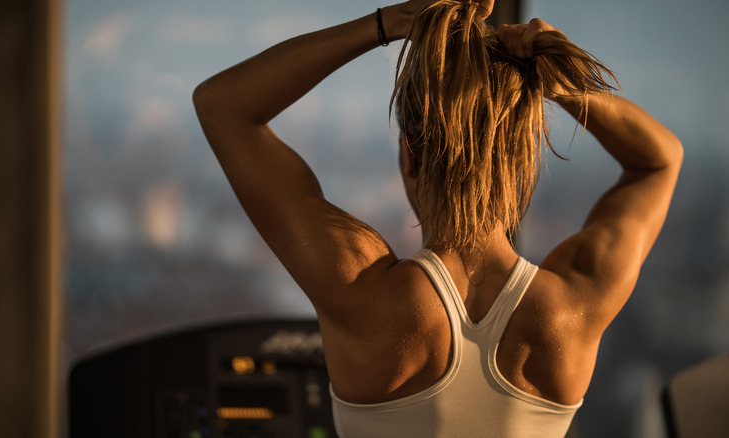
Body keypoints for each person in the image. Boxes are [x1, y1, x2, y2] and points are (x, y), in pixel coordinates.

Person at [193, 0, 682, 436]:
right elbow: (659, 159)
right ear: (520, 162)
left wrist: (390, 22)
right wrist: (561, 84)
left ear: (410, 155)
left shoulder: (362, 289)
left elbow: (223, 105)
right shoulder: (573, 306)